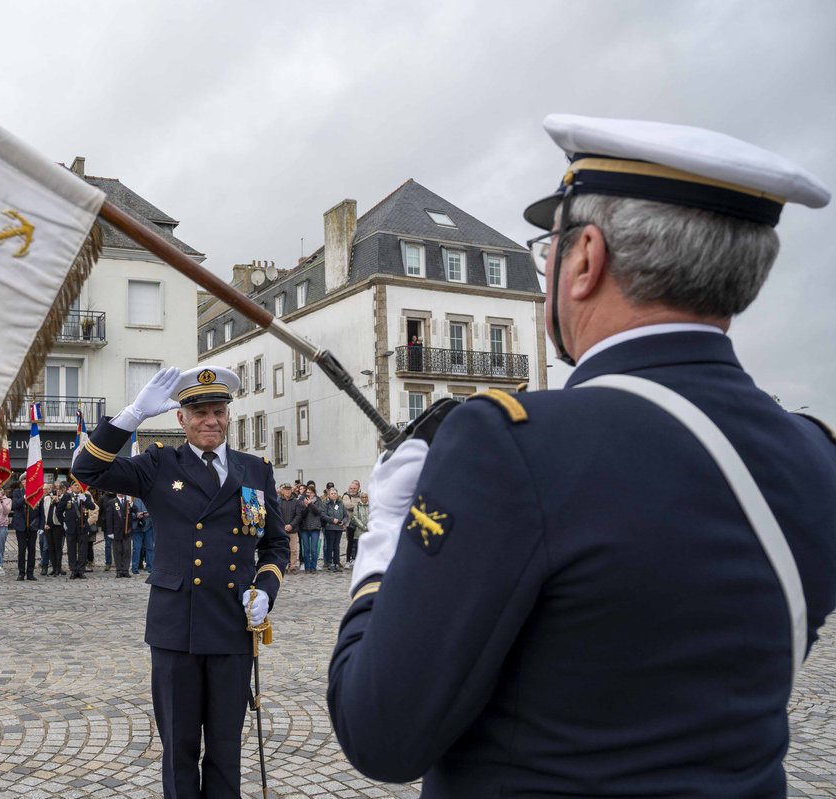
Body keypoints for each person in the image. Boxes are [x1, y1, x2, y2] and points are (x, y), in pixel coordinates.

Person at [328, 114, 836, 797]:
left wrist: (386, 538)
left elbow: (381, 731)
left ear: (587, 258)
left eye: (551, 249)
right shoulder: (814, 453)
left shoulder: (512, 445)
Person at [72, 365, 288, 799]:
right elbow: (87, 471)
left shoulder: (254, 470)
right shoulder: (158, 464)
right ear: (181, 419)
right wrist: (132, 414)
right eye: (200, 412)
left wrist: (265, 590)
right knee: (179, 749)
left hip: (232, 626)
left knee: (226, 748)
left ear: (229, 415)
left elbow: (275, 545)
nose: (211, 420)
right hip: (177, 629)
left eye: (218, 411)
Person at [57, 481, 96, 579]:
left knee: (83, 550)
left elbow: (93, 507)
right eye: (75, 485)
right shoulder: (67, 496)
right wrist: (64, 523)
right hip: (71, 527)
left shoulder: (85, 496)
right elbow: (59, 511)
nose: (77, 487)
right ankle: (74, 570)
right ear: (71, 487)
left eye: (79, 485)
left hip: (83, 527)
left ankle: (81, 570)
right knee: (71, 549)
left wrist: (85, 500)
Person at [11, 481, 44, 581]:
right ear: (22, 482)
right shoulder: (17, 491)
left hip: (33, 525)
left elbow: (41, 511)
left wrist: (41, 526)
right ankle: (21, 573)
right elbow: (14, 504)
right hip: (20, 525)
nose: (26, 483)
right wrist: (24, 498)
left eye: (28, 481)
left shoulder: (37, 492)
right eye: (24, 481)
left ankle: (30, 573)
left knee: (32, 550)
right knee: (21, 549)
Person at [319, 486, 348, 572]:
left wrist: (343, 521)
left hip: (339, 528)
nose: (334, 495)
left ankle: (336, 562)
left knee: (337, 546)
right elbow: (323, 515)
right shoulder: (325, 503)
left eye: (335, 493)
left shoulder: (341, 504)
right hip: (330, 527)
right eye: (332, 493)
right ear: (329, 494)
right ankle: (329, 562)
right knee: (330, 546)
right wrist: (332, 520)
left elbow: (346, 515)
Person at [107, 493, 134, 578]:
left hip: (127, 531)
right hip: (117, 531)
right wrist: (110, 532)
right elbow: (109, 518)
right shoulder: (112, 502)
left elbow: (135, 511)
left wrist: (132, 504)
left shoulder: (128, 502)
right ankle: (119, 570)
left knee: (127, 550)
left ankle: (125, 570)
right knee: (117, 550)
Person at [297, 485, 322, 573]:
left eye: (310, 492)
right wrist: (305, 506)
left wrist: (311, 504)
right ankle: (307, 567)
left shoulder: (318, 500)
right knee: (306, 549)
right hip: (304, 528)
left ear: (314, 493)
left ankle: (313, 567)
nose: (309, 494)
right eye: (307, 492)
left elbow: (318, 512)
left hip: (315, 527)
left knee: (314, 549)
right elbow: (301, 515)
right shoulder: (301, 501)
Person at [44, 482, 67, 576]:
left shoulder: (64, 499)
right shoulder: (46, 498)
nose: (56, 491)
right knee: (51, 548)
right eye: (55, 489)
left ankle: (58, 568)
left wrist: (58, 502)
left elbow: (62, 514)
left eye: (58, 489)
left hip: (57, 526)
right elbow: (44, 513)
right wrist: (44, 524)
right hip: (47, 526)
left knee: (58, 548)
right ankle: (54, 567)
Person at [129, 496, 154, 576]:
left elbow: (156, 510)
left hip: (149, 527)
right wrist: (136, 515)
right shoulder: (134, 498)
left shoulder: (151, 498)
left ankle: (150, 567)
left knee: (150, 548)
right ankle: (134, 568)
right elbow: (129, 512)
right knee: (136, 548)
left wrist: (149, 513)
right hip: (137, 528)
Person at [340, 480, 361, 564]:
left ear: (358, 488)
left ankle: (358, 557)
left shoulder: (361, 495)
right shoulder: (346, 495)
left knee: (359, 541)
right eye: (351, 488)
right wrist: (359, 504)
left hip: (360, 522)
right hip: (350, 522)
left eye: (354, 488)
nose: (352, 490)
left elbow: (366, 503)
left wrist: (355, 504)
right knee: (351, 541)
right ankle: (351, 558)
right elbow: (348, 505)